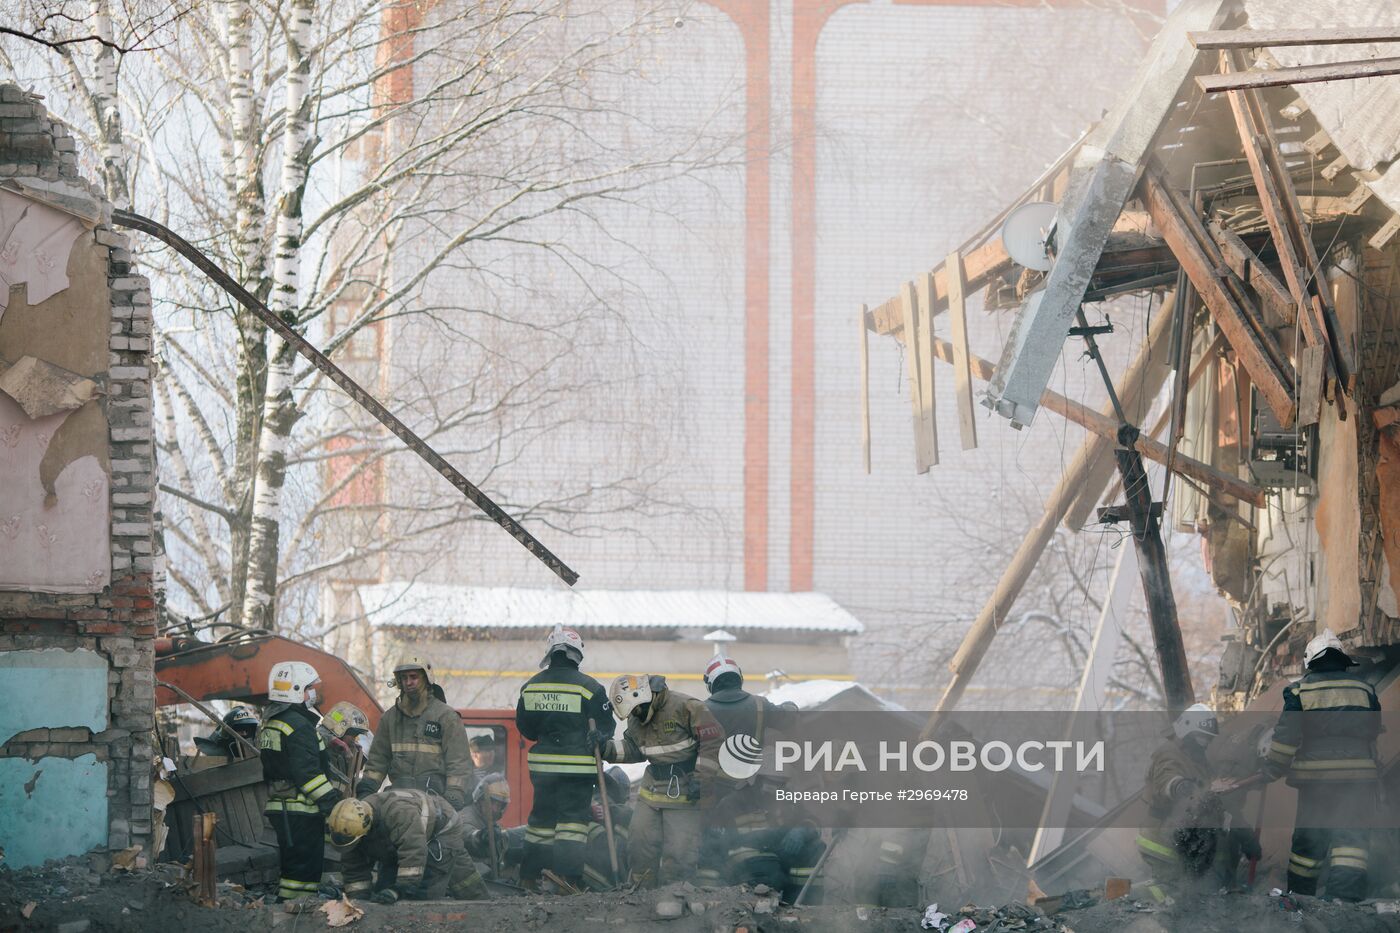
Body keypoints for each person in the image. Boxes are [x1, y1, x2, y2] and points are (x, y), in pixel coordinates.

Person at [1262, 628, 1381, 901]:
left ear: (1310, 661)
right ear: (1342, 660)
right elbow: (1373, 729)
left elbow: (1285, 739)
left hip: (1317, 783)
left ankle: (1300, 899)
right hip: (1359, 781)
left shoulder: (1299, 690)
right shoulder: (1365, 690)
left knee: (1308, 842)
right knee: (1351, 843)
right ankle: (1345, 903)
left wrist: (1272, 769)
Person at [603, 673, 724, 886]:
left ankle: (674, 897)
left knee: (679, 850)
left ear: (643, 697)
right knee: (640, 842)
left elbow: (713, 740)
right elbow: (634, 748)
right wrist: (605, 748)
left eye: (636, 710)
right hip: (651, 791)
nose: (635, 716)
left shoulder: (687, 707)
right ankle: (642, 897)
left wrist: (703, 777)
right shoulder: (636, 716)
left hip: (685, 789)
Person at [515, 625, 612, 890]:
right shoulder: (590, 687)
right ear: (577, 653)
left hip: (543, 768)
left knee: (541, 823)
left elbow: (526, 729)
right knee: (572, 823)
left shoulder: (530, 687)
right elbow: (606, 728)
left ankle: (530, 876)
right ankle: (567, 878)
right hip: (578, 769)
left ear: (550, 653)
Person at [1136, 703, 1258, 888]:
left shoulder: (1199, 761)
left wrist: (1245, 835)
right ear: (1187, 730)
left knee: (1194, 894)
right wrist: (1183, 786)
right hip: (1163, 839)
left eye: (1208, 739)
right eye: (1202, 737)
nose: (1206, 743)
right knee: (1169, 895)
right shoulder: (1169, 753)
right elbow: (1167, 780)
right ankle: (1134, 903)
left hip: (1186, 839)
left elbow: (1219, 801)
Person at [257, 661, 342, 904]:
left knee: (292, 866)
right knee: (305, 868)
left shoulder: (273, 722)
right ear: (296, 690)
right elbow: (308, 774)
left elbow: (287, 761)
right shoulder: (299, 726)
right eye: (310, 688)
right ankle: (298, 914)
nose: (314, 693)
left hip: (282, 807)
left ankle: (288, 905)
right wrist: (332, 803)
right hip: (302, 810)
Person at [702, 649, 786, 890]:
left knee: (711, 846)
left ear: (711, 683)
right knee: (754, 845)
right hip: (750, 791)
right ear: (738, 677)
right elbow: (788, 719)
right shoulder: (761, 705)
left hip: (712, 791)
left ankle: (714, 898)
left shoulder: (700, 709)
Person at [330, 788, 488, 903]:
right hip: (405, 838)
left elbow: (414, 852)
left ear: (367, 828)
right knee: (383, 893)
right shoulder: (352, 829)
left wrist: (399, 889)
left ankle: (485, 910)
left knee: (422, 894)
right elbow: (354, 870)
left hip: (443, 829)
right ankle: (482, 902)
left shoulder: (398, 813)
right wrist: (358, 902)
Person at [357, 656, 474, 810]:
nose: (408, 682)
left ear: (426, 678)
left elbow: (458, 761)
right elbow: (378, 760)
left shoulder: (446, 717)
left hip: (436, 800)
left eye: (413, 677)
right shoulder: (390, 718)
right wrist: (367, 789)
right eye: (404, 678)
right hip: (398, 800)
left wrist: (454, 793)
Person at [581, 766, 632, 890]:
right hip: (586, 853)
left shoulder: (618, 810)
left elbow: (627, 814)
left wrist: (609, 811)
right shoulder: (595, 800)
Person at [462, 771, 511, 877]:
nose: (495, 809)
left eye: (499, 805)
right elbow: (467, 834)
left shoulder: (490, 821)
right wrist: (481, 836)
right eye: (492, 802)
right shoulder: (467, 816)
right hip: (471, 876)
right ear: (480, 799)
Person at [319, 701, 371, 796]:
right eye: (354, 735)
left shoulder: (340, 757)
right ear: (340, 729)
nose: (354, 741)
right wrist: (334, 740)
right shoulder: (319, 744)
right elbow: (319, 735)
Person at [194, 705, 260, 759]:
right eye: (241, 730)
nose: (245, 734)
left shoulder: (256, 752)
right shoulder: (215, 754)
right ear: (227, 732)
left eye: (247, 731)